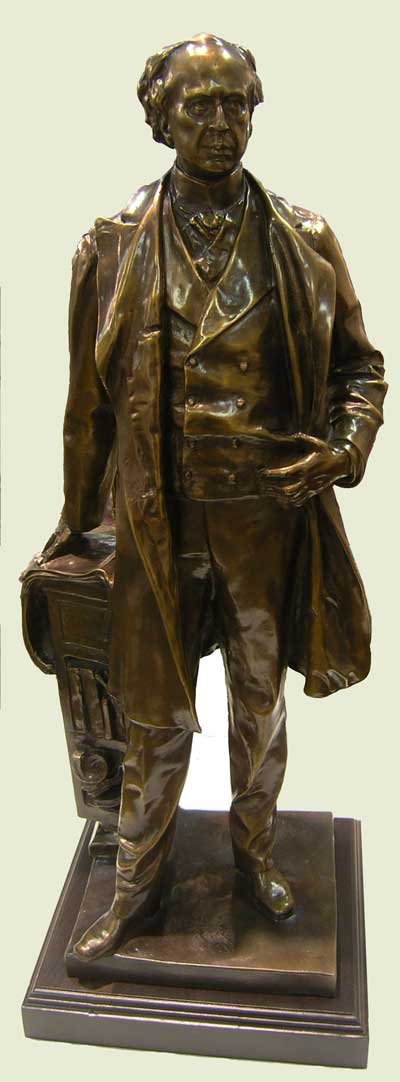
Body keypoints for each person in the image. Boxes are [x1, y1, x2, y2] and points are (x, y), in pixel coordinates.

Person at [43, 34, 386, 960]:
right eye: (200, 105)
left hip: (263, 521)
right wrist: (73, 524)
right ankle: (136, 885)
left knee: (258, 701)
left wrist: (343, 449)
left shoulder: (304, 240)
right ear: (162, 119)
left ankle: (256, 855)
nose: (222, 122)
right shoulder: (111, 245)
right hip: (156, 519)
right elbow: (87, 408)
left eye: (237, 102)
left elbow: (360, 370)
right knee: (151, 715)